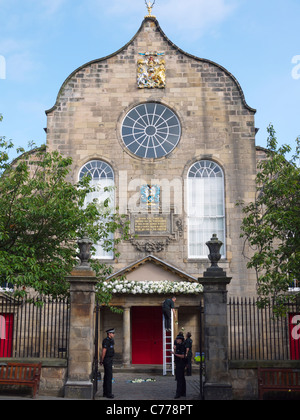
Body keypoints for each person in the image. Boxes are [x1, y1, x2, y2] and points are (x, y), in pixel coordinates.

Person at [100, 328, 115, 399]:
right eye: (112, 333)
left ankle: (105, 392)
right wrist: (101, 360)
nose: (113, 334)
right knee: (108, 377)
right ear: (109, 334)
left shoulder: (111, 340)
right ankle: (108, 393)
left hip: (110, 359)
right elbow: (104, 351)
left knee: (107, 376)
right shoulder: (106, 341)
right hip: (107, 360)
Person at [173, 334, 186, 399]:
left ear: (180, 340)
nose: (176, 340)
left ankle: (178, 393)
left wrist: (175, 354)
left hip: (181, 364)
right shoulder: (178, 346)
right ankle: (183, 392)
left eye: (177, 339)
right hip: (178, 363)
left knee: (179, 379)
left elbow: (183, 356)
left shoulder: (182, 346)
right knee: (181, 378)